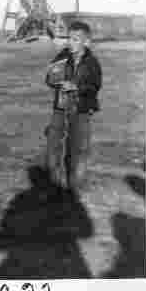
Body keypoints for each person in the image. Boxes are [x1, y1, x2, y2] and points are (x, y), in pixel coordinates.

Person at [44, 21, 102, 190]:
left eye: (75, 39)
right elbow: (50, 77)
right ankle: (54, 183)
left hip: (81, 108)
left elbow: (94, 86)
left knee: (79, 147)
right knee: (53, 143)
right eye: (69, 38)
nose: (70, 42)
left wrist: (76, 86)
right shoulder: (62, 56)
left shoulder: (92, 62)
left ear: (86, 42)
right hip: (60, 106)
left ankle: (75, 186)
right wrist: (53, 77)